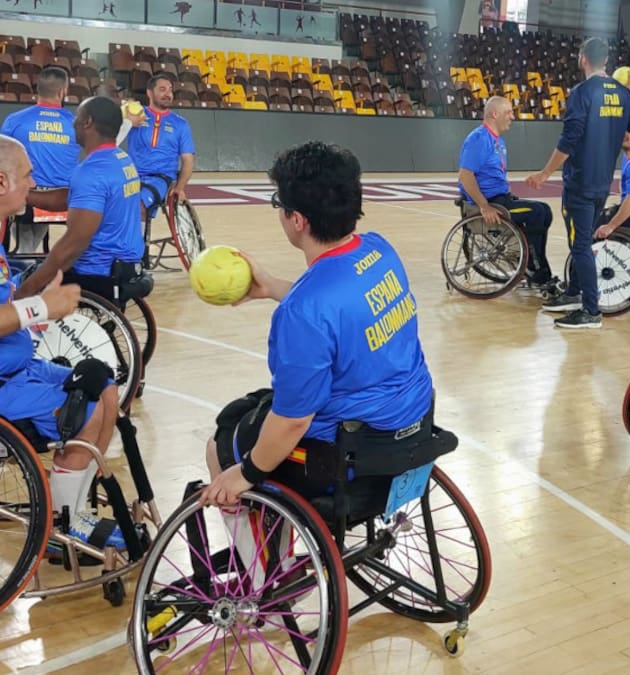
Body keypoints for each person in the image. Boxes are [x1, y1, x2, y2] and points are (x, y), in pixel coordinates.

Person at [198, 142, 441, 589]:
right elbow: (344, 311)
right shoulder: (379, 251)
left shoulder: (303, 312)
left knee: (225, 437)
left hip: (347, 461)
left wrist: (243, 474)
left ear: (297, 220)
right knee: (257, 410)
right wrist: (272, 286)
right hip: (414, 428)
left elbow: (292, 421)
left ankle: (260, 575)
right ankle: (275, 541)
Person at [0, 135, 125, 550]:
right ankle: (60, 527)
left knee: (105, 387)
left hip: (19, 367)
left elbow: (7, 298)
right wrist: (41, 309)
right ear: (3, 182)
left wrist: (38, 285)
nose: (33, 183)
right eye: (28, 176)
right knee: (83, 410)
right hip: (4, 383)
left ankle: (71, 511)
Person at [526, 37, 630, 329]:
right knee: (583, 241)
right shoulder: (623, 93)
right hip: (603, 182)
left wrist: (544, 173)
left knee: (580, 246)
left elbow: (570, 139)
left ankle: (591, 310)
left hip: (579, 183)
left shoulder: (582, 92)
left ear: (582, 59)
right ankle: (574, 293)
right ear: (606, 61)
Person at [18, 97, 145, 311]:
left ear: (87, 122)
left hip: (97, 271)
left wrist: (26, 290)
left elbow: (74, 244)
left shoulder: (92, 172)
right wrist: (25, 195)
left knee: (20, 278)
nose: (73, 122)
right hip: (126, 263)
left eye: (77, 117)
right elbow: (73, 198)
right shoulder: (120, 159)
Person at [458, 96, 555, 288]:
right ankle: (535, 269)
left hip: (501, 198)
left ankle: (532, 263)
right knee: (537, 213)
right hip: (491, 202)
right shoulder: (478, 139)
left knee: (545, 211)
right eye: (508, 112)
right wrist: (484, 206)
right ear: (494, 114)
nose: (512, 116)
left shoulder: (498, 141)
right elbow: (465, 176)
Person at [0, 67, 79, 256]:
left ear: (38, 89)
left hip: (27, 199)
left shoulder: (15, 120)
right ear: (63, 92)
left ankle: (17, 259)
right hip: (65, 201)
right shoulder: (76, 123)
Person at [125, 74, 196, 214]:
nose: (168, 94)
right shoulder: (135, 114)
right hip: (130, 175)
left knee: (138, 204)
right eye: (162, 89)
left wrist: (179, 188)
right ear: (149, 93)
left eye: (170, 90)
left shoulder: (180, 124)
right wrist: (126, 120)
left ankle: (134, 236)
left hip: (160, 178)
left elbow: (188, 160)